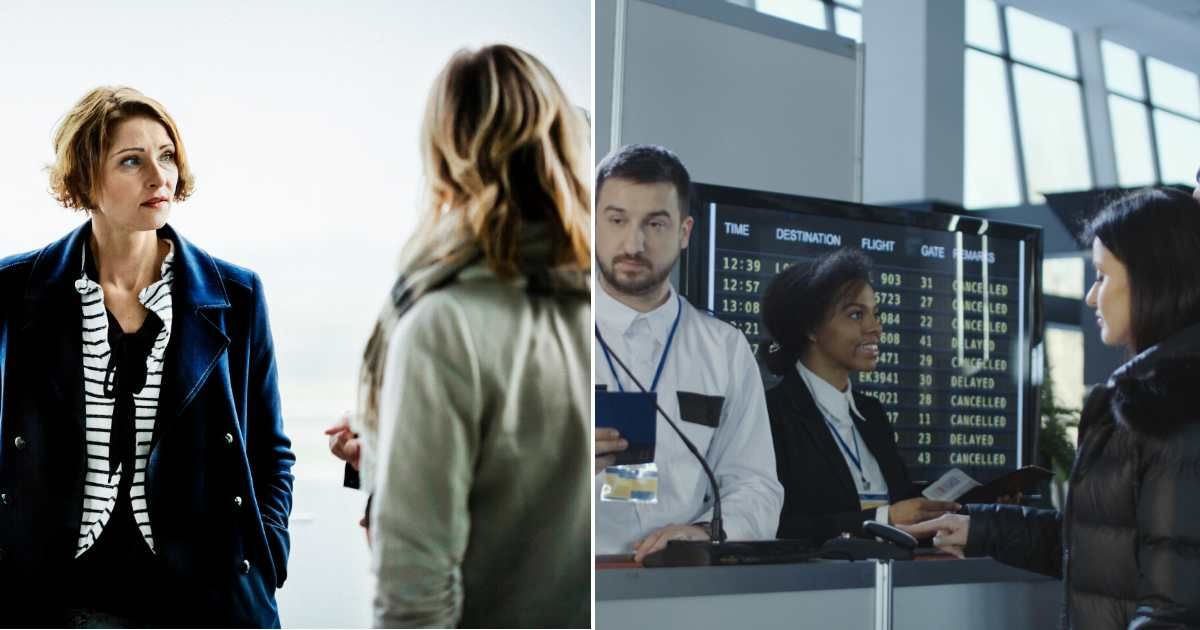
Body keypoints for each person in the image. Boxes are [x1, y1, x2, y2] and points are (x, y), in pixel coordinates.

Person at [0, 86, 293, 627]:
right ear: (85, 179)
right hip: (51, 596)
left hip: (204, 599)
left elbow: (271, 453)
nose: (160, 178)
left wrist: (268, 549)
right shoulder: (14, 290)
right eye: (132, 161)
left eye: (166, 156)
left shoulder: (238, 296)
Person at [353, 45, 591, 628]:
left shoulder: (443, 325)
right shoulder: (610, 313)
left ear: (444, 153)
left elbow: (415, 595)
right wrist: (386, 455)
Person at [904, 187, 1200, 629]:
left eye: (1101, 275)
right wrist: (977, 527)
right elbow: (1104, 550)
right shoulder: (1150, 396)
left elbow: (1175, 610)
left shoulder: (1172, 407)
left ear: (1150, 278)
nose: (1090, 297)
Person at [594, 144, 783, 562]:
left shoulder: (724, 348)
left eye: (655, 224)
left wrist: (705, 531)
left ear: (684, 232)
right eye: (617, 220)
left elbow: (756, 485)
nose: (634, 242)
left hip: (682, 583)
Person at [761, 249, 960, 545]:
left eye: (875, 314)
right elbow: (774, 525)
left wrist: (959, 504)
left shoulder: (872, 413)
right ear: (811, 328)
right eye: (856, 315)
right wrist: (883, 520)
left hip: (888, 579)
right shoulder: (772, 414)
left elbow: (900, 502)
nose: (875, 328)